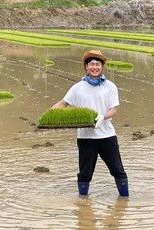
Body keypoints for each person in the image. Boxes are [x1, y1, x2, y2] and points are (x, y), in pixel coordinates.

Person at [52, 50, 129, 196]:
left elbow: (114, 109)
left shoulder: (110, 86)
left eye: (98, 64)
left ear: (102, 67)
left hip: (107, 136)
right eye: (91, 64)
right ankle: (83, 204)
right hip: (86, 137)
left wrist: (102, 117)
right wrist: (48, 115)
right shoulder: (78, 88)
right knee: (85, 173)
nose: (95, 67)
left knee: (118, 171)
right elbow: (63, 104)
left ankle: (125, 200)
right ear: (86, 67)